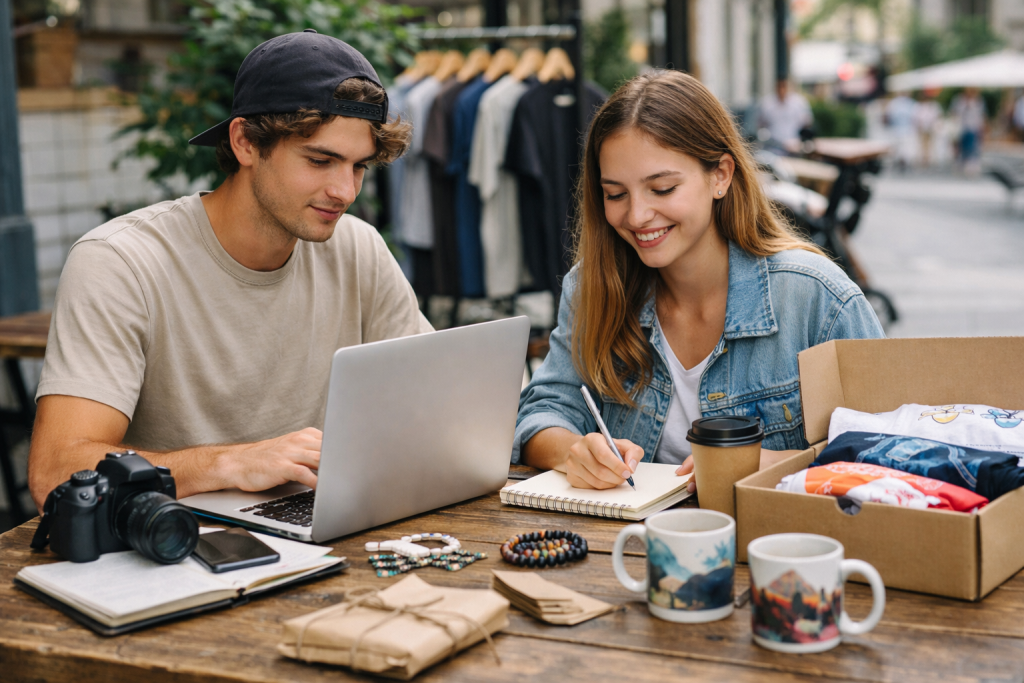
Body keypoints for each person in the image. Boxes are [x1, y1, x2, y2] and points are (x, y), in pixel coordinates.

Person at [27, 31, 430, 510]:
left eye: (359, 167)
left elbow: (428, 405)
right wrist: (229, 463)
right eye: (320, 160)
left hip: (323, 526)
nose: (345, 191)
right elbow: (56, 469)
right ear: (244, 142)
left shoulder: (358, 248)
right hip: (172, 546)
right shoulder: (121, 262)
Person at [513, 70, 884, 491]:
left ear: (720, 176)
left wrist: (780, 465)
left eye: (663, 188)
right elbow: (542, 411)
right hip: (621, 550)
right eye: (615, 194)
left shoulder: (818, 297)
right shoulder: (593, 286)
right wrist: (573, 452)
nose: (635, 216)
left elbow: (891, 451)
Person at [757, 79, 813, 148]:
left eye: (784, 86)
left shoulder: (799, 103)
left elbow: (807, 123)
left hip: (794, 146)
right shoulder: (766, 103)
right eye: (780, 86)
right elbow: (760, 125)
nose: (782, 90)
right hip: (773, 146)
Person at [951, 87, 987, 174]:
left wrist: (983, 127)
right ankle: (961, 163)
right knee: (961, 146)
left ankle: (971, 164)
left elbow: (982, 115)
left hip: (973, 127)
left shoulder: (978, 101)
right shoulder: (959, 101)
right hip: (961, 127)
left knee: (972, 146)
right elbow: (954, 113)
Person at [912, 91, 943, 168]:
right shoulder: (918, 106)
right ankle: (924, 160)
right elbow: (915, 118)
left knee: (931, 144)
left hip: (931, 128)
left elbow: (937, 116)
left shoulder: (933, 105)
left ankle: (931, 159)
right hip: (922, 128)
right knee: (923, 145)